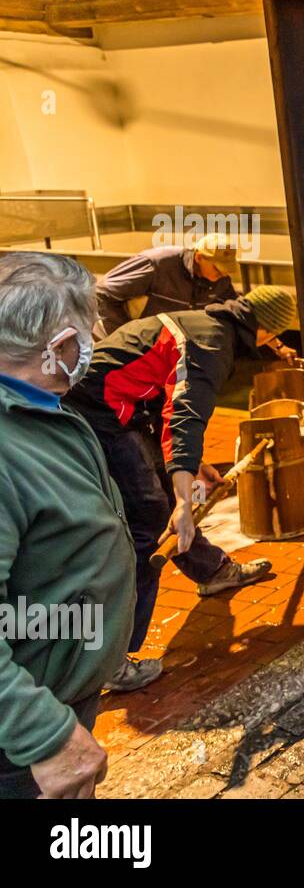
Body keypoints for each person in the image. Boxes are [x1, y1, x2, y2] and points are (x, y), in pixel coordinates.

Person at [64, 286, 300, 692]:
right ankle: (108, 659)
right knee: (150, 522)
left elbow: (161, 398)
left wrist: (193, 467)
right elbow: (185, 417)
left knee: (160, 505)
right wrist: (183, 501)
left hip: (121, 406)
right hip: (100, 410)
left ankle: (212, 571)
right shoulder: (211, 344)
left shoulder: (205, 322)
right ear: (264, 329)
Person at [0, 252, 135, 798]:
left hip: (61, 690)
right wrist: (47, 737)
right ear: (56, 348)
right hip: (18, 740)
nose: (97, 339)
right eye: (87, 331)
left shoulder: (36, 405)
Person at [95, 232, 240, 338]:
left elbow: (234, 308)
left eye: (227, 269)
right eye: (217, 268)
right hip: (130, 341)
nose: (223, 274)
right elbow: (102, 293)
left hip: (168, 346)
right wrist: (124, 338)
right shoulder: (157, 264)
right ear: (199, 257)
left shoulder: (221, 281)